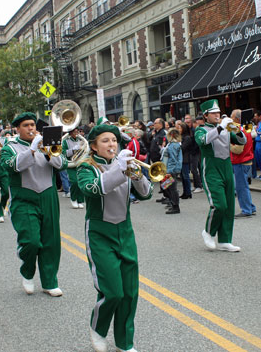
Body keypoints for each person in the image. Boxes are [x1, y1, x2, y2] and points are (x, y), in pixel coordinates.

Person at [77, 124, 153, 352]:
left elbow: (146, 193)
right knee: (112, 291)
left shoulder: (124, 164)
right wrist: (120, 169)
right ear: (93, 146)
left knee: (129, 292)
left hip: (125, 232)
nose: (111, 145)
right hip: (100, 233)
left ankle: (125, 342)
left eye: (114, 140)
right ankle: (98, 328)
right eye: (105, 141)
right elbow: (94, 189)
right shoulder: (86, 168)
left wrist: (136, 174)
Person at [0, 112, 68, 297]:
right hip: (24, 198)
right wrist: (31, 150)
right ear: (17, 128)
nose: (30, 128)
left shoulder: (49, 143)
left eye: (32, 125)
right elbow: (13, 166)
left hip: (48, 196)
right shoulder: (10, 147)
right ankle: (27, 272)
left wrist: (47, 151)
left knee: (51, 242)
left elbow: (62, 164)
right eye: (25, 125)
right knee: (30, 240)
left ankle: (49, 282)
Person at [195, 100, 245, 252]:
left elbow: (242, 141)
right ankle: (208, 232)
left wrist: (237, 130)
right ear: (206, 115)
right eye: (213, 113)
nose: (217, 115)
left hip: (227, 167)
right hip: (211, 169)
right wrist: (221, 126)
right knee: (219, 205)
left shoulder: (226, 128)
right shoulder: (201, 130)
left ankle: (225, 240)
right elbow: (204, 141)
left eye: (218, 112)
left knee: (229, 206)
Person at [230, 109, 256, 218]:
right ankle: (250, 206)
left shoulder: (238, 129)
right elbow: (253, 135)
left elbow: (238, 149)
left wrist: (228, 145)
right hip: (246, 159)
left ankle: (246, 209)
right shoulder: (247, 127)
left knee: (241, 187)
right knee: (244, 185)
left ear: (236, 118)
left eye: (232, 117)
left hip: (240, 160)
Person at [62, 127, 85, 209]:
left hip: (80, 163)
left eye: (77, 130)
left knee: (81, 181)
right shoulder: (65, 141)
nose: (76, 131)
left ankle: (80, 200)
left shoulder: (81, 140)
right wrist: (72, 150)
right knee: (74, 182)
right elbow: (63, 153)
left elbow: (86, 150)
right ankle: (74, 198)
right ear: (70, 131)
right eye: (74, 130)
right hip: (71, 164)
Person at [161, 128, 182, 214]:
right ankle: (172, 203)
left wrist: (169, 171)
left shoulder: (173, 145)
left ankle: (175, 206)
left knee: (172, 188)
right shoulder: (174, 144)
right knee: (167, 186)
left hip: (170, 170)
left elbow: (173, 160)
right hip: (170, 169)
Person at [177, 122, 193, 199]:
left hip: (185, 159)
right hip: (181, 159)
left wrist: (178, 144)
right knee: (182, 177)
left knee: (186, 176)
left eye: (180, 128)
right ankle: (185, 192)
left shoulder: (187, 138)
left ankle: (188, 192)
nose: (178, 130)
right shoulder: (180, 137)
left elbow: (183, 148)